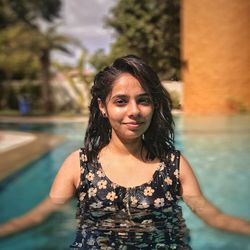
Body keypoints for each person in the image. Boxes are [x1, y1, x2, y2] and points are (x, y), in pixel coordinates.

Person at [0, 55, 249, 248]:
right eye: (121, 101)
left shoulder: (173, 165)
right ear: (103, 107)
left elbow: (214, 218)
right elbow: (39, 216)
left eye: (143, 100)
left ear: (154, 106)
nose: (134, 111)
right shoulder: (80, 164)